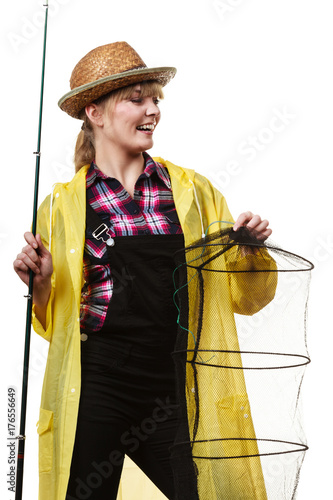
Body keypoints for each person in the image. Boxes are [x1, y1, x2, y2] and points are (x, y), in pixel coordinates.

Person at [13, 42, 275, 500]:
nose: (152, 109)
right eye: (137, 99)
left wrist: (249, 252)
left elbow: (246, 299)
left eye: (154, 98)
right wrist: (42, 286)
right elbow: (56, 329)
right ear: (94, 112)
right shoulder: (60, 207)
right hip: (96, 387)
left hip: (174, 385)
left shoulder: (194, 192)